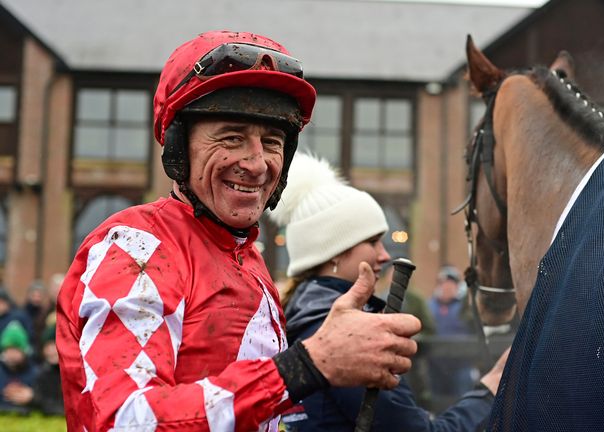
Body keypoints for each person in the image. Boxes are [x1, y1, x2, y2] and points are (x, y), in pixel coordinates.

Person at [56, 30, 420, 432]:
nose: (257, 163)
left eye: (272, 141)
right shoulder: (137, 247)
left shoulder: (250, 261)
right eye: (231, 137)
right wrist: (307, 364)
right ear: (179, 146)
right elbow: (124, 421)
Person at [271, 152, 509, 431]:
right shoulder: (347, 334)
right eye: (373, 242)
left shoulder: (298, 317)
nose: (385, 256)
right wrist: (490, 389)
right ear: (333, 252)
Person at [428, 266, 477, 398]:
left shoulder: (465, 307)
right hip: (435, 367)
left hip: (461, 366)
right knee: (437, 402)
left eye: (451, 284)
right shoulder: (429, 306)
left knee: (463, 399)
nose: (447, 287)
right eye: (444, 284)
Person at [0, 320, 38, 414]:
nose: (12, 354)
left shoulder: (36, 373)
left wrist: (33, 397)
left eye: (16, 350)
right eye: (8, 349)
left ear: (25, 351)